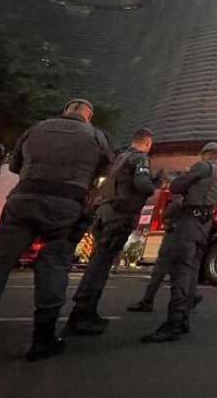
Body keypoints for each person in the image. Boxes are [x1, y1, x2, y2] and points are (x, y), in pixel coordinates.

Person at [0, 99, 112, 364]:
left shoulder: (36, 129)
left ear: (65, 111)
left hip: (24, 200)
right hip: (66, 205)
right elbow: (105, 170)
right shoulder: (95, 136)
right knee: (54, 267)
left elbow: (14, 165)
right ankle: (43, 340)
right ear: (88, 116)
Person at [65, 128, 156, 335]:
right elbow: (143, 185)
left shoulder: (120, 157)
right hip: (120, 215)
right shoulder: (140, 158)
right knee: (101, 265)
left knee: (97, 261)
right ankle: (83, 314)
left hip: (104, 213)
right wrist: (155, 184)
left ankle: (83, 311)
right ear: (148, 143)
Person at [141, 141, 217, 343]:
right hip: (205, 226)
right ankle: (184, 317)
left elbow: (177, 186)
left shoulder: (201, 167)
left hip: (189, 223)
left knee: (180, 271)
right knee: (193, 271)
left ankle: (174, 322)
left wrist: (179, 178)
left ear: (204, 153)